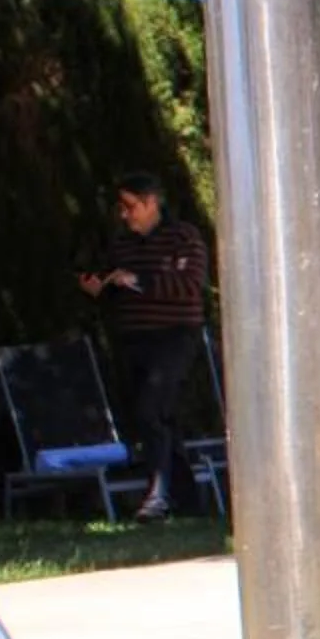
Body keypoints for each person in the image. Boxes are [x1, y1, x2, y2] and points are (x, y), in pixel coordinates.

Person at [77, 171, 209, 522]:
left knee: (153, 409)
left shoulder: (184, 237)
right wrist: (101, 287)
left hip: (175, 336)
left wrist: (138, 280)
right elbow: (113, 290)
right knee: (156, 417)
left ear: (151, 203)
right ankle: (188, 500)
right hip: (134, 339)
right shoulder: (123, 245)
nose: (125, 214)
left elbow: (189, 285)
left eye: (130, 206)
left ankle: (158, 494)